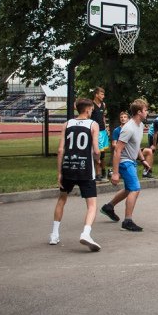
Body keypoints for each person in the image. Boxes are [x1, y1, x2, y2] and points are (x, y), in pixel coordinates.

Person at [49, 97, 102, 251]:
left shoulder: (67, 124)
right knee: (91, 205)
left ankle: (54, 234)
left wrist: (59, 172)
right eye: (91, 109)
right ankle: (86, 233)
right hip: (85, 167)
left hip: (68, 166)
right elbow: (96, 150)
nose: (92, 111)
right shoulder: (93, 124)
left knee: (61, 199)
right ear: (87, 109)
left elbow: (60, 150)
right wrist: (97, 161)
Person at [100, 99, 151, 231]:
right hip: (125, 162)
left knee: (129, 188)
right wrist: (116, 173)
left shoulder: (139, 126)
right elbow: (117, 150)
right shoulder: (128, 128)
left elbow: (136, 145)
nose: (147, 112)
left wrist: (142, 160)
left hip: (132, 161)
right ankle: (127, 221)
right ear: (139, 112)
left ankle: (108, 206)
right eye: (146, 110)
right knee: (135, 189)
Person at [90, 87, 109, 180]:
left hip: (102, 131)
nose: (103, 96)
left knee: (103, 154)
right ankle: (97, 174)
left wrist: (105, 127)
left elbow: (103, 116)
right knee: (97, 153)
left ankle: (103, 171)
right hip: (95, 132)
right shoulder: (91, 105)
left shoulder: (103, 104)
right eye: (101, 94)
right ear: (96, 95)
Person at [109, 111, 129, 178]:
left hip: (130, 151)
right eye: (121, 117)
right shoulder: (116, 130)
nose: (123, 118)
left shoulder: (130, 129)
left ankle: (146, 172)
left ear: (128, 119)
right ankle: (112, 173)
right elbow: (114, 144)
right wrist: (120, 147)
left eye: (125, 117)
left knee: (148, 151)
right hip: (121, 151)